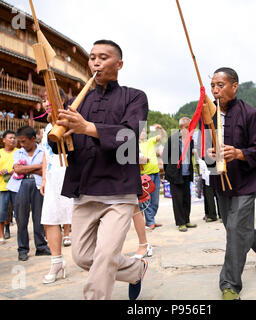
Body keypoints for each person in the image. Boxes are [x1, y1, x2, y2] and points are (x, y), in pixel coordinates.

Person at [50, 40, 148, 300]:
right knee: (83, 257)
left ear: (119, 64)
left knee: (105, 256)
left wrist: (87, 128)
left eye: (103, 57)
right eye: (92, 57)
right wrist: (59, 136)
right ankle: (136, 268)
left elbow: (129, 135)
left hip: (119, 190)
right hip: (86, 188)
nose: (95, 62)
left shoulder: (134, 96)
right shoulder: (76, 103)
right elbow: (67, 148)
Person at [205, 67, 256, 300]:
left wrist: (238, 153)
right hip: (222, 183)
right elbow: (206, 153)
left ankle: (229, 285)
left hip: (246, 182)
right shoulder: (208, 116)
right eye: (213, 86)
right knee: (236, 228)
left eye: (221, 85)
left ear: (234, 86)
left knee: (236, 231)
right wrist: (209, 154)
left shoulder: (250, 114)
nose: (216, 90)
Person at [40, 88, 73, 284]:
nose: (45, 103)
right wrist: (44, 178)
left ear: (61, 99)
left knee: (79, 215)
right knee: (50, 218)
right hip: (53, 176)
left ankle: (94, 258)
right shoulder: (45, 129)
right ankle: (57, 261)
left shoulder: (69, 120)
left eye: (48, 99)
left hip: (71, 172)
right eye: (43, 100)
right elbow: (46, 154)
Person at [7, 126, 51, 261]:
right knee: (21, 219)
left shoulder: (43, 150)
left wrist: (25, 169)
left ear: (33, 139)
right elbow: (18, 170)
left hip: (39, 185)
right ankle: (23, 249)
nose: (21, 144)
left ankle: (41, 247)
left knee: (39, 218)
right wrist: (38, 167)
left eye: (24, 141)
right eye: (20, 141)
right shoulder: (18, 152)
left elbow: (45, 169)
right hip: (21, 185)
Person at [163, 117, 197, 232]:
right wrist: (169, 173)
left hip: (187, 174)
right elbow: (165, 157)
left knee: (187, 198)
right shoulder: (172, 139)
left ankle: (187, 220)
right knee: (178, 200)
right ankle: (181, 223)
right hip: (175, 175)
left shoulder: (190, 140)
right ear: (181, 127)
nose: (189, 129)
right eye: (188, 127)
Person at [139, 124, 165, 230]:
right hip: (145, 175)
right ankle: (150, 222)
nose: (144, 133)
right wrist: (144, 159)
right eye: (141, 131)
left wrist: (161, 129)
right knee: (146, 200)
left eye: (145, 131)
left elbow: (162, 137)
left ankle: (151, 220)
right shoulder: (135, 145)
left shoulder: (150, 141)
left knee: (155, 199)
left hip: (155, 173)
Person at [0, 130, 18, 244]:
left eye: (14, 138)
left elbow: (24, 165)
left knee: (19, 212)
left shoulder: (19, 152)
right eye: (10, 138)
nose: (13, 140)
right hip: (2, 186)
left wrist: (14, 171)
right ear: (4, 140)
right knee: (1, 212)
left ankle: (21, 234)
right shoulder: (0, 152)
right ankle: (1, 235)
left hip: (16, 185)